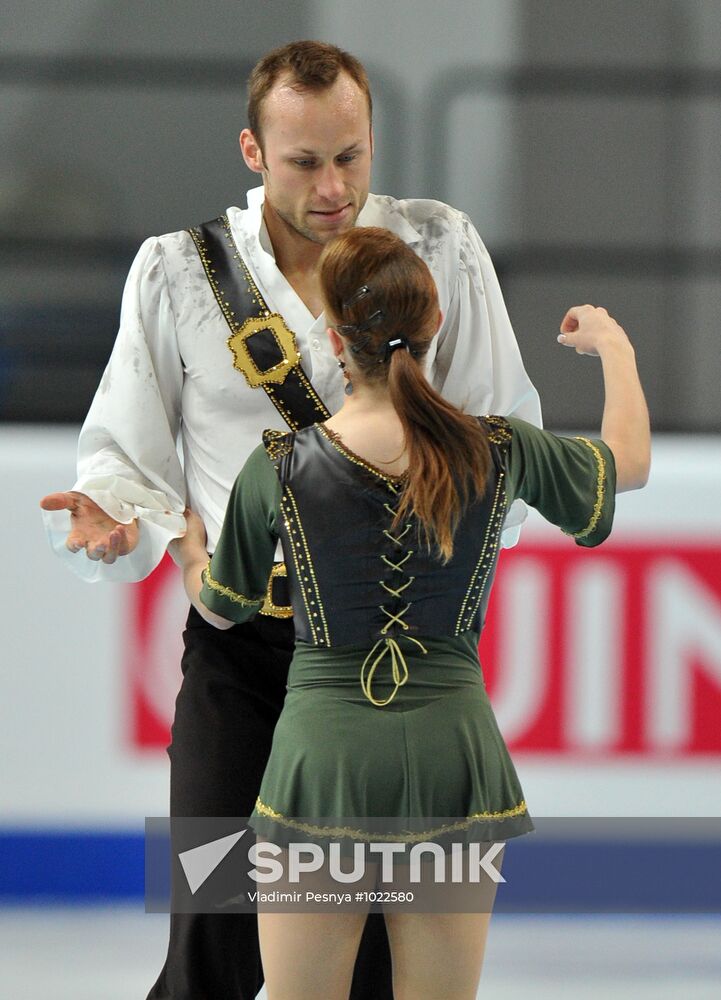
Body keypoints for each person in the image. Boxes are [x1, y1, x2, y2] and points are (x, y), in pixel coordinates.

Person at [39, 41, 541, 1000]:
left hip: (389, 671)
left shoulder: (437, 249)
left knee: (380, 964)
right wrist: (110, 528)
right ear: (252, 150)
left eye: (350, 155)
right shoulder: (178, 273)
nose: (332, 184)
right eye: (305, 160)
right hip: (239, 662)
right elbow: (125, 464)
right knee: (213, 942)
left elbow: (501, 438)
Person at [176, 226, 650, 1000]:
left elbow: (222, 611)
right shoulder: (498, 449)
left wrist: (187, 551)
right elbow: (625, 464)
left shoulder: (280, 467)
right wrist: (615, 348)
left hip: (320, 764)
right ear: (434, 331)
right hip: (452, 759)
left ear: (333, 341)